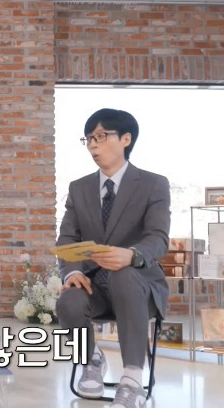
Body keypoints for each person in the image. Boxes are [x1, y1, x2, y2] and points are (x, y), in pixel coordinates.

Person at [55, 108, 170, 408]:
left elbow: (159, 238)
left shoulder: (154, 184)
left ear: (126, 139)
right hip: (94, 286)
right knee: (68, 300)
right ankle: (91, 359)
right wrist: (72, 273)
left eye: (101, 136)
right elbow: (67, 238)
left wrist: (131, 255)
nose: (93, 145)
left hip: (139, 287)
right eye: (89, 139)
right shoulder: (79, 188)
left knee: (124, 275)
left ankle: (132, 379)